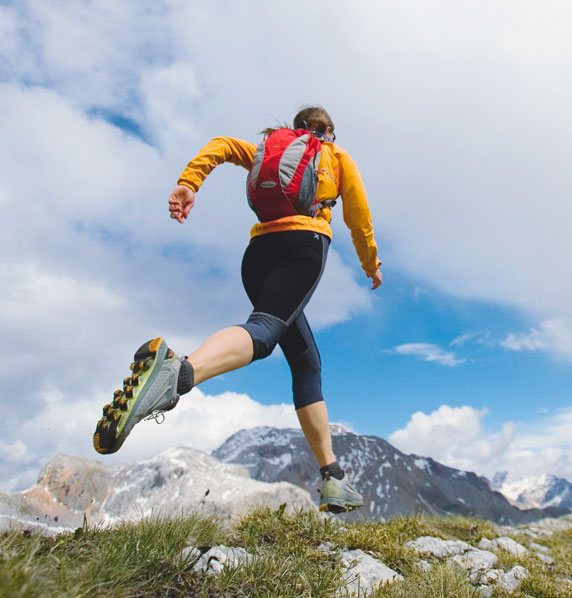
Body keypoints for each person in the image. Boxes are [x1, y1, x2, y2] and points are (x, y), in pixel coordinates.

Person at [92, 105, 381, 513]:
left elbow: (222, 145)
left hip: (256, 256)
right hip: (303, 246)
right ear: (328, 131)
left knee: (305, 361)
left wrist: (189, 183)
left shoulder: (267, 149)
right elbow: (358, 215)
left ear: (295, 130)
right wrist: (371, 264)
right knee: (262, 334)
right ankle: (178, 373)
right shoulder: (333, 156)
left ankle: (333, 478)